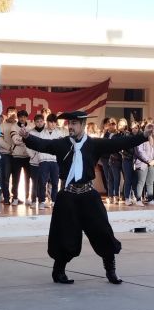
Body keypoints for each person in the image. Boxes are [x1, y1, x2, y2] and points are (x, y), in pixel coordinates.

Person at [17, 110, 153, 285]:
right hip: (68, 196)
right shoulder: (62, 144)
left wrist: (143, 135)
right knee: (65, 235)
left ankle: (110, 271)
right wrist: (27, 136)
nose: (70, 127)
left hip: (89, 196)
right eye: (69, 124)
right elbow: (43, 144)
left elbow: (120, 143)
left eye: (74, 123)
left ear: (82, 125)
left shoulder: (94, 144)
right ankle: (58, 272)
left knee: (103, 232)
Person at [10, 110, 31, 205]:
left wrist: (23, 138)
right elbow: (15, 141)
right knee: (15, 179)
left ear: (27, 117)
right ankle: (15, 198)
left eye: (24, 117)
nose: (22, 119)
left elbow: (32, 140)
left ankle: (27, 198)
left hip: (28, 156)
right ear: (18, 118)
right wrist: (27, 139)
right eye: (21, 117)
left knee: (28, 179)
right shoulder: (13, 127)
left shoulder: (31, 127)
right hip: (16, 156)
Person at [0, 107, 17, 205]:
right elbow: (0, 140)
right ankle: (6, 197)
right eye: (10, 113)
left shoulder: (18, 125)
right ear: (6, 114)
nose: (12, 114)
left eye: (14, 113)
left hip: (17, 156)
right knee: (5, 178)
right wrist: (10, 148)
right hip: (5, 155)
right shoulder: (2, 125)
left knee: (16, 178)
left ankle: (15, 197)